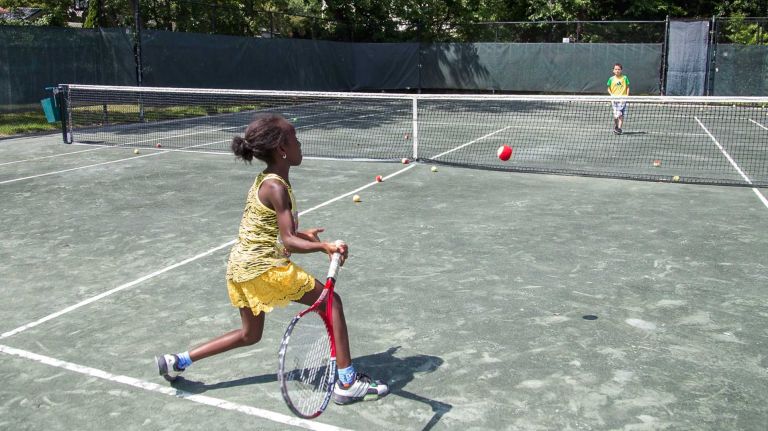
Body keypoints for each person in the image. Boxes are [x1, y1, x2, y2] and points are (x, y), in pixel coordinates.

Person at [155, 113, 388, 405]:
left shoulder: (265, 180)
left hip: (239, 268)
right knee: (332, 302)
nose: (300, 144)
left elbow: (276, 231)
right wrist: (324, 247)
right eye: (295, 139)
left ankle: (179, 360)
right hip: (263, 268)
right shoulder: (277, 188)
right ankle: (346, 382)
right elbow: (287, 239)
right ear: (282, 150)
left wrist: (305, 235)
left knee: (250, 335)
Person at [607, 63, 630, 134]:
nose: (617, 71)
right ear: (613, 70)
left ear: (621, 70)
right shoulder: (611, 79)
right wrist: (611, 95)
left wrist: (627, 96)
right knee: (615, 115)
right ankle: (616, 126)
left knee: (620, 114)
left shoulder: (625, 78)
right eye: (616, 69)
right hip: (614, 99)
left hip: (622, 99)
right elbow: (608, 88)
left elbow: (628, 87)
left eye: (619, 69)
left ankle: (619, 128)